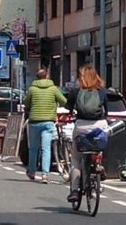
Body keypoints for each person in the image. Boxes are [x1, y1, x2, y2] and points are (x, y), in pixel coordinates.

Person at [65, 65, 109, 203]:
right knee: (99, 146)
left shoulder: (75, 92)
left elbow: (69, 109)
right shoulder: (102, 92)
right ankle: (99, 165)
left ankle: (74, 190)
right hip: (99, 126)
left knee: (76, 159)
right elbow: (106, 111)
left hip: (81, 126)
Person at [23, 68, 67, 183]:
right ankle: (45, 175)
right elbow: (64, 101)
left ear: (37, 77)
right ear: (47, 76)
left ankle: (32, 172)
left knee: (33, 149)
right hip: (48, 122)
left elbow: (26, 102)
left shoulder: (32, 89)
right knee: (46, 148)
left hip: (34, 122)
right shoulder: (53, 89)